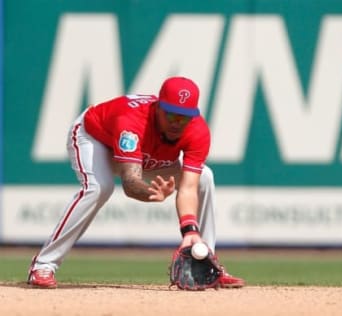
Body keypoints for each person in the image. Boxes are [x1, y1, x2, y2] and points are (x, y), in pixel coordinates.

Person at [27, 76, 244, 289]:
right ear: (158, 107)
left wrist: (189, 231)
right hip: (96, 140)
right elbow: (130, 182)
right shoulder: (131, 122)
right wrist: (151, 192)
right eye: (171, 115)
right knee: (99, 187)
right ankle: (44, 264)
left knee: (204, 178)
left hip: (147, 156)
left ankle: (206, 264)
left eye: (184, 117)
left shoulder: (197, 131)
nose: (177, 123)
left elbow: (188, 188)